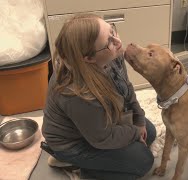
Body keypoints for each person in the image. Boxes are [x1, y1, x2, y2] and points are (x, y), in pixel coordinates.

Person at [41, 13, 156, 180]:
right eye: (108, 41)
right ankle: (77, 165)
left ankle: (97, 161)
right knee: (143, 160)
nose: (118, 42)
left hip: (98, 123)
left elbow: (127, 89)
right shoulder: (75, 92)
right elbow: (103, 138)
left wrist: (139, 119)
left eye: (112, 31)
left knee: (149, 131)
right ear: (88, 58)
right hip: (74, 143)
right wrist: (134, 133)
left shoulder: (112, 54)